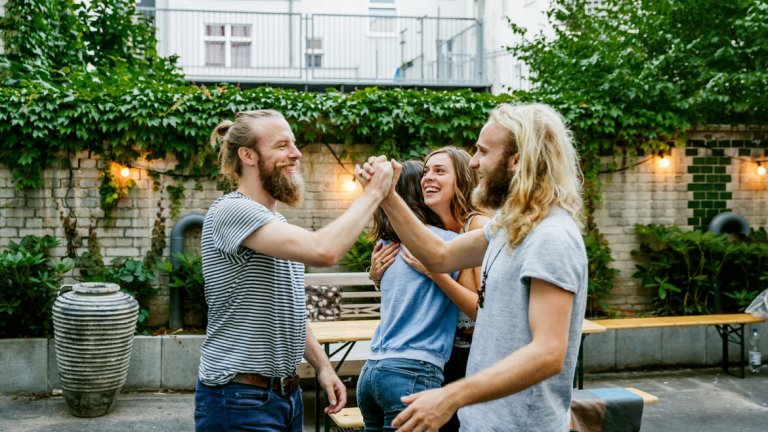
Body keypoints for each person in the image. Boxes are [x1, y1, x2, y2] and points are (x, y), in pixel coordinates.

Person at [356, 103, 588, 431]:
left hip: (521, 424)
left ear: (517, 160)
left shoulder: (550, 237)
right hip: (483, 421)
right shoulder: (510, 226)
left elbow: (548, 352)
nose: (474, 162)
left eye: (482, 152)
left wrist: (451, 396)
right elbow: (439, 255)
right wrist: (388, 196)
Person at [195, 109, 394, 431]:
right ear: (247, 155)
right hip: (239, 400)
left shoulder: (275, 222)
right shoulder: (233, 210)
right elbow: (324, 251)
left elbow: (287, 310)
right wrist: (373, 193)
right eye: (282, 145)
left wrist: (323, 366)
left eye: (294, 144)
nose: (296, 154)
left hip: (285, 396)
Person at [368, 147, 489, 432]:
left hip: (472, 357)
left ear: (461, 179)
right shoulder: (432, 234)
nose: (428, 178)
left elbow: (484, 311)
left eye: (440, 171)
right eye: (426, 172)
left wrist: (437, 274)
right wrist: (376, 277)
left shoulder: (477, 225)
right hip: (437, 358)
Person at [356, 160, 460, 432]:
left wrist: (375, 277)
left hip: (371, 371)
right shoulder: (445, 242)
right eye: (425, 177)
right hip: (413, 371)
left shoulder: (384, 246)